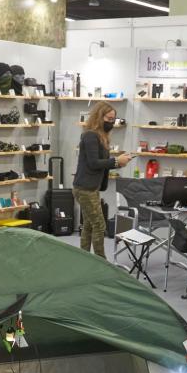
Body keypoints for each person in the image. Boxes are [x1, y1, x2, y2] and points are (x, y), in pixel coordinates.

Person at [74, 101, 133, 258]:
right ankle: (101, 260)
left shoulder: (101, 136)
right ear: (99, 117)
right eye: (109, 119)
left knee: (89, 224)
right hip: (85, 189)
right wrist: (116, 161)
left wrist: (119, 162)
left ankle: (84, 258)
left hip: (90, 188)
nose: (111, 122)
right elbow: (94, 163)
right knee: (99, 225)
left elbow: (102, 163)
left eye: (113, 119)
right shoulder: (90, 136)